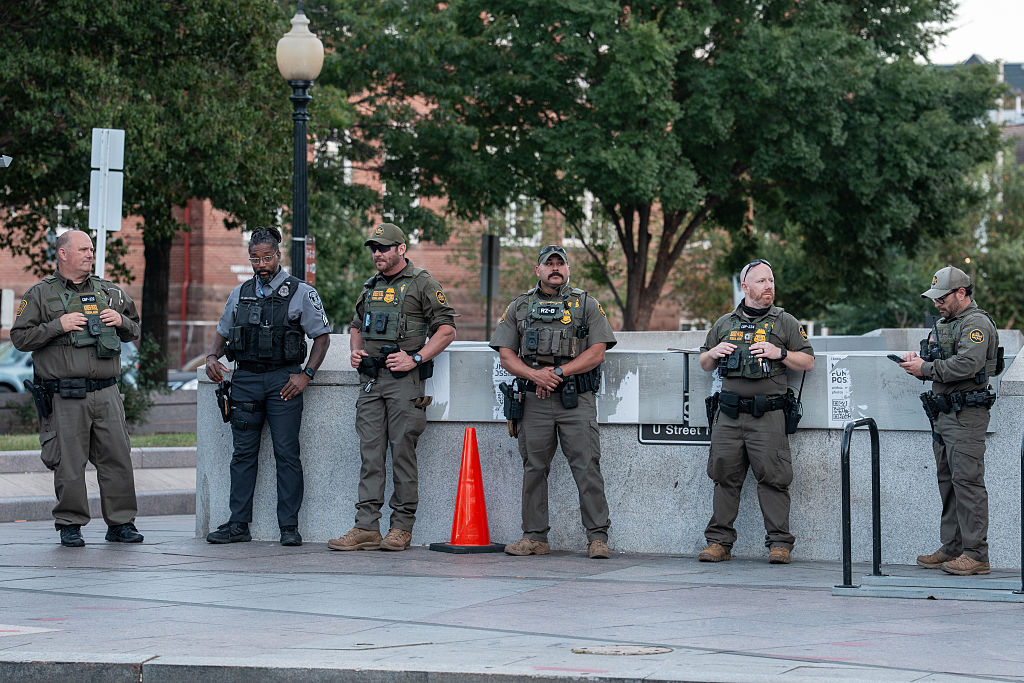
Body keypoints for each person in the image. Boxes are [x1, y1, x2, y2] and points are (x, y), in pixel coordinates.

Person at [328, 222, 457, 552]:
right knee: (370, 455)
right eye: (374, 248)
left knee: (402, 454)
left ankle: (401, 527)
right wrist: (355, 351)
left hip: (403, 383)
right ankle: (366, 527)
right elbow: (356, 325)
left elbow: (446, 330)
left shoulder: (422, 282)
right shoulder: (370, 286)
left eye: (383, 248)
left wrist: (415, 358)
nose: (377, 253)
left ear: (401, 249)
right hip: (371, 381)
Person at [11, 229, 143, 547]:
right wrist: (58, 325)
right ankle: (70, 523)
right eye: (83, 249)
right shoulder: (40, 294)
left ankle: (121, 523)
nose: (90, 254)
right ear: (63, 253)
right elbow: (19, 337)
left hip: (107, 392)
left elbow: (135, 328)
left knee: (117, 458)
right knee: (69, 462)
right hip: (65, 394)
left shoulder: (109, 291)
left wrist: (121, 321)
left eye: (92, 249)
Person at [204, 226, 331, 547]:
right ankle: (238, 524)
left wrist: (306, 375)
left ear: (278, 255)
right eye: (255, 259)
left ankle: (288, 526)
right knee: (242, 455)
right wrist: (211, 357)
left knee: (287, 454)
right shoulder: (240, 292)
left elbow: (322, 337)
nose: (261, 265)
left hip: (283, 381)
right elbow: (223, 331)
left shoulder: (301, 292)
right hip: (245, 380)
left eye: (266, 258)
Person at [489, 244, 617, 560]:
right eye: (549, 264)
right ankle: (534, 537)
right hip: (534, 400)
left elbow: (597, 352)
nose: (555, 268)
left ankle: (597, 538)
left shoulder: (586, 304)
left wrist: (558, 373)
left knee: (587, 467)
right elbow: (507, 356)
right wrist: (536, 376)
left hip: (576, 400)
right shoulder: (519, 306)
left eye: (560, 263)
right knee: (534, 468)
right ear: (538, 270)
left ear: (568, 269)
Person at [697, 259, 814, 565]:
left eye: (771, 281)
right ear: (745, 287)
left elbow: (808, 361)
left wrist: (780, 353)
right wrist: (713, 352)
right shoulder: (725, 323)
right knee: (724, 477)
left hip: (768, 415)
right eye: (761, 281)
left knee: (774, 479)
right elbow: (704, 362)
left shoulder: (785, 322)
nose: (769, 286)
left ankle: (779, 543)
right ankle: (719, 542)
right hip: (729, 415)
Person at [899, 265, 999, 576]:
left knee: (967, 483)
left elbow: (968, 364)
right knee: (949, 482)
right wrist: (919, 362)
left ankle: (976, 554)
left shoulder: (976, 324)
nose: (937, 303)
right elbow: (939, 360)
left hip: (966, 415)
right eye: (935, 298)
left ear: (961, 293)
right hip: (944, 414)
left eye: (942, 298)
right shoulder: (947, 324)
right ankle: (953, 547)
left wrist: (926, 369)